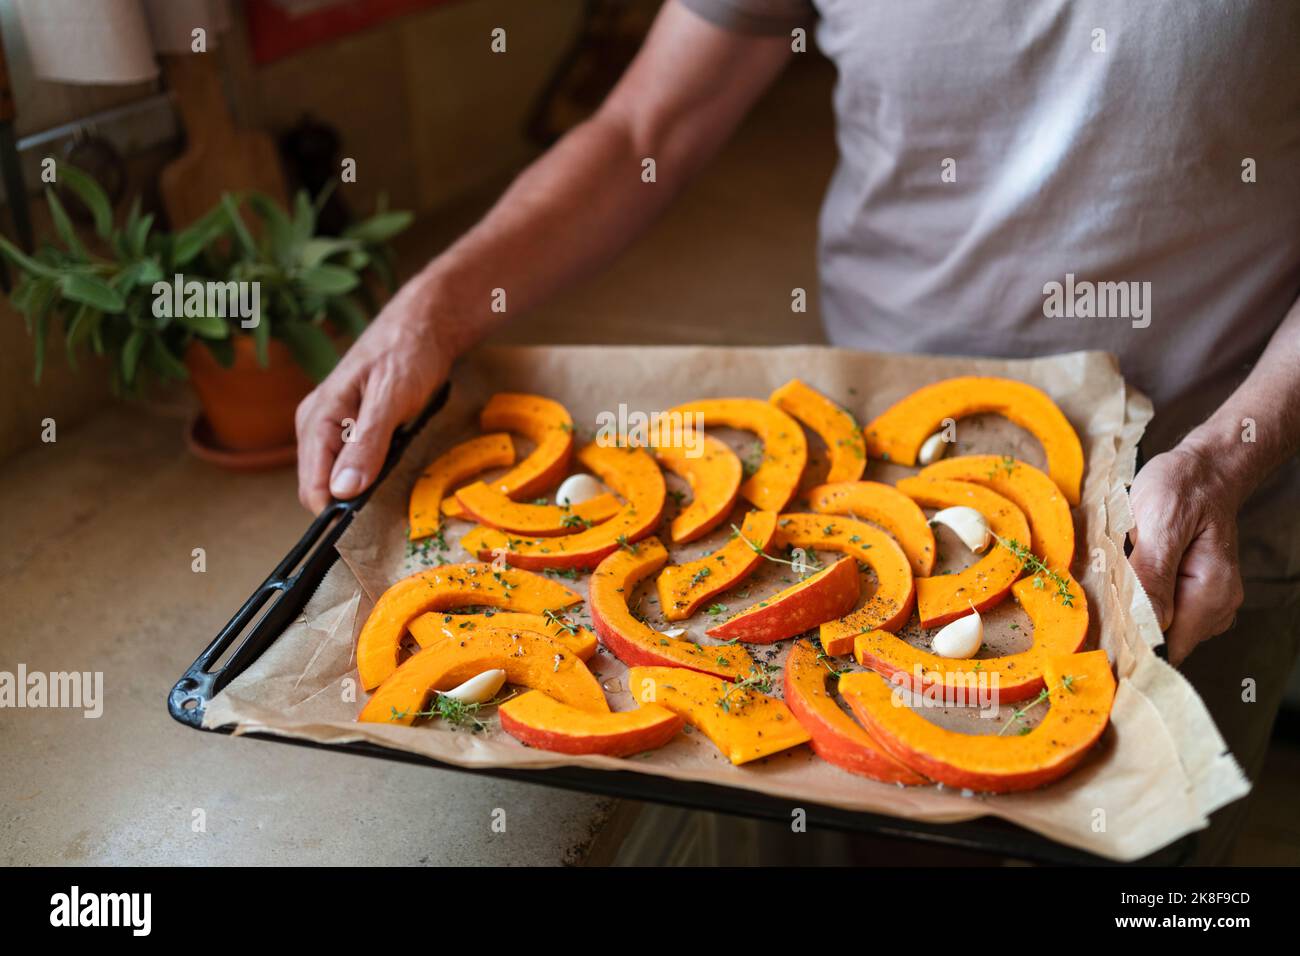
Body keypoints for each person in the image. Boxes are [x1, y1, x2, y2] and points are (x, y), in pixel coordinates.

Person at [294, 1, 1300, 861]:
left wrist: (1228, 453)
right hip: (849, 494)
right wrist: (434, 309)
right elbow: (648, 125)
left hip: (1200, 516)